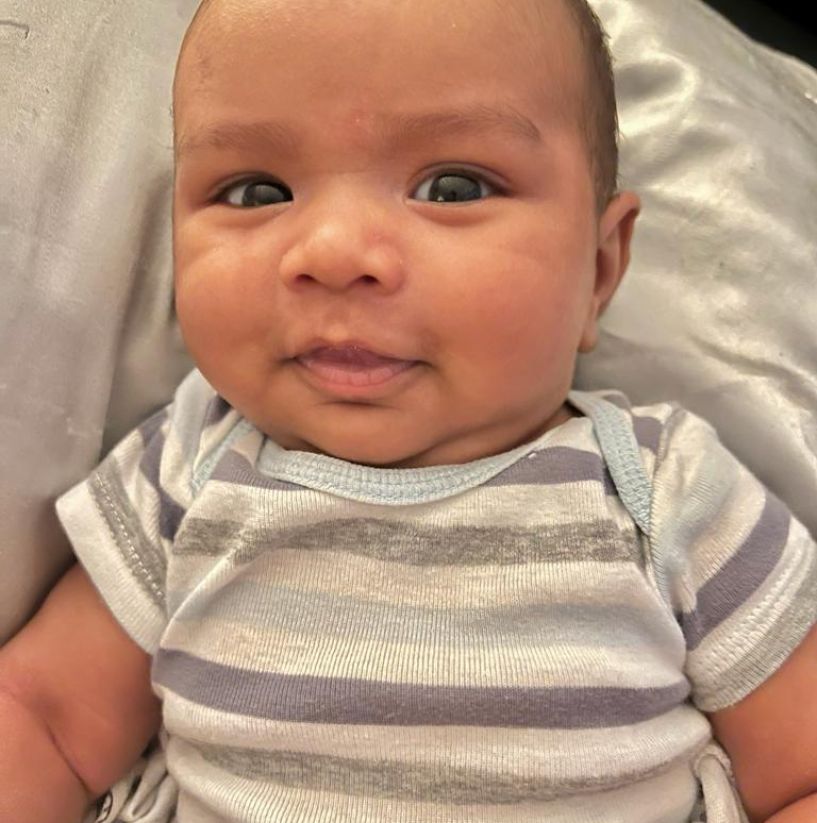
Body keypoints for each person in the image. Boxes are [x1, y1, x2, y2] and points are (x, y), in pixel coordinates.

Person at [1, 0, 816, 820]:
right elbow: (46, 718)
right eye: (256, 191)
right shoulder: (188, 468)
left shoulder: (660, 493)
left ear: (598, 270)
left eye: (451, 188)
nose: (333, 253)